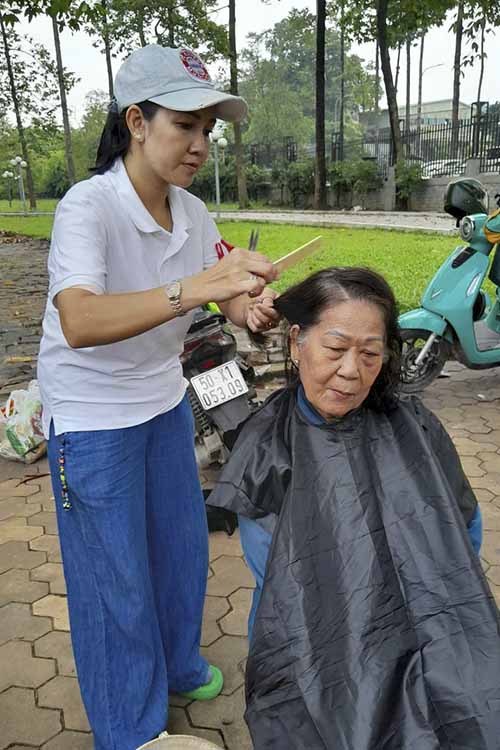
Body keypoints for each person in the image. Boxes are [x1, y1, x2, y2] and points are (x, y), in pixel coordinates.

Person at [37, 45, 280, 750]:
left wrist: (251, 308)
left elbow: (224, 298)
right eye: (185, 125)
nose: (200, 144)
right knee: (115, 580)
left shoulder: (193, 212)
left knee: (180, 552)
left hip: (163, 401)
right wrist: (196, 288)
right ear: (137, 123)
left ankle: (177, 665)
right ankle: (131, 731)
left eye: (209, 129)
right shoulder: (89, 207)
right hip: (92, 418)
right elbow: (80, 320)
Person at [208, 267, 500, 750]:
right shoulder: (269, 448)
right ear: (297, 342)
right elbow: (276, 576)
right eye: (335, 348)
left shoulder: (415, 427)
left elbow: (464, 529)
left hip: (434, 622)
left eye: (369, 354)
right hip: (314, 633)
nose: (350, 371)